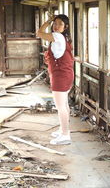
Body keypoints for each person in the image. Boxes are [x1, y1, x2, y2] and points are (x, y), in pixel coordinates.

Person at [36, 14, 74, 145]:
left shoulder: (57, 36)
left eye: (60, 24)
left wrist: (48, 21)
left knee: (60, 106)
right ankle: (63, 129)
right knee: (65, 105)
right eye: (55, 23)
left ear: (66, 27)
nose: (56, 26)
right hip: (66, 74)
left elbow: (39, 33)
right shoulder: (65, 37)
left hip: (60, 75)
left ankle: (65, 135)